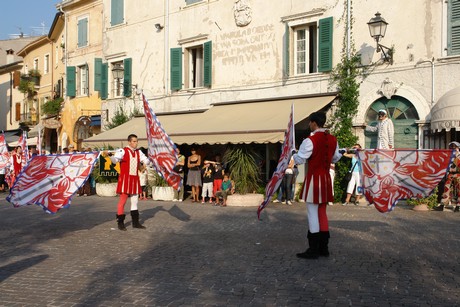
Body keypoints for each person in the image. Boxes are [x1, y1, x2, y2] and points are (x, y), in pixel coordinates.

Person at [292, 111, 343, 259]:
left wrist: (292, 153)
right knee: (322, 212)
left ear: (314, 123)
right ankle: (324, 248)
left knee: (312, 213)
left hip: (314, 179)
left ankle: (313, 249)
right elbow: (336, 158)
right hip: (326, 179)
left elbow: (300, 160)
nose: (309, 124)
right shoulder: (333, 139)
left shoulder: (310, 140)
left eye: (310, 122)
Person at [105, 134, 150, 231]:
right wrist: (109, 155)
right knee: (123, 201)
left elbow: (146, 160)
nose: (136, 143)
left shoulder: (139, 152)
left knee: (135, 201)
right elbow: (114, 161)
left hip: (134, 179)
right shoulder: (122, 150)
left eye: (136, 141)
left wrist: (148, 160)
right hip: (125, 179)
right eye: (134, 141)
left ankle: (136, 223)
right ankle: (120, 223)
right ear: (129, 142)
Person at [434, 141, 460, 212]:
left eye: (455, 147)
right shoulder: (448, 156)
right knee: (446, 188)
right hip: (450, 174)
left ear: (458, 148)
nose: (453, 148)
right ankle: (442, 205)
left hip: (458, 174)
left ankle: (458, 206)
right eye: (452, 147)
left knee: (459, 190)